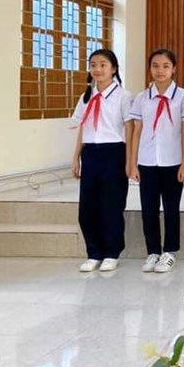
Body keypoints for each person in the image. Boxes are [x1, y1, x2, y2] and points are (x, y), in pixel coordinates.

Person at [128, 49, 184, 273]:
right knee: (149, 209)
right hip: (147, 160)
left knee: (171, 208)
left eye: (166, 66)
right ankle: (153, 251)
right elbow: (137, 131)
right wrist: (133, 163)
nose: (160, 70)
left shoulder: (183, 97)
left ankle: (170, 251)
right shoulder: (142, 98)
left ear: (174, 69)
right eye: (155, 66)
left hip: (172, 161)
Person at [71, 49, 134, 273]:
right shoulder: (86, 96)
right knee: (87, 207)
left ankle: (111, 252)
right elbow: (82, 128)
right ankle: (93, 252)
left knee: (111, 205)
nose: (97, 69)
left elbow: (129, 129)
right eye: (93, 65)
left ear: (113, 69)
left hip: (114, 152)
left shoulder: (124, 96)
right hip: (91, 153)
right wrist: (76, 158)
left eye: (103, 64)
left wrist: (129, 161)